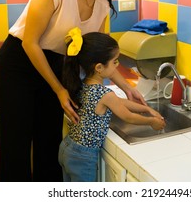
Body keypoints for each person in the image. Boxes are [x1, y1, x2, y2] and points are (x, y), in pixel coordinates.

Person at [0, 0, 143, 182]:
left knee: (49, 143)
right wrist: (59, 90)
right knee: (16, 149)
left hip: (56, 66)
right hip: (19, 64)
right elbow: (30, 42)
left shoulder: (102, 2)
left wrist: (127, 87)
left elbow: (102, 56)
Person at [59, 28, 166, 182]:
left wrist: (147, 109)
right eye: (115, 61)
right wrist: (151, 121)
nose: (117, 65)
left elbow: (121, 103)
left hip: (68, 148)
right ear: (99, 68)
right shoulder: (105, 94)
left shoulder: (82, 85)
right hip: (84, 157)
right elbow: (127, 116)